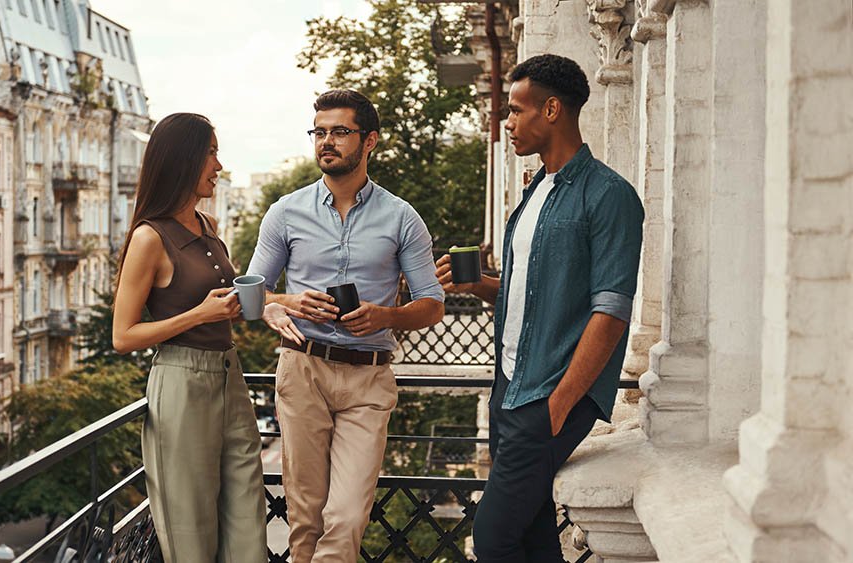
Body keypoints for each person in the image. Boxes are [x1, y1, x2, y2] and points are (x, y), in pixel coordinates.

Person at [436, 55, 644, 562]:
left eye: (515, 110)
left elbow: (611, 312)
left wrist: (560, 405)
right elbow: (530, 292)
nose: (506, 122)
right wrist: (480, 286)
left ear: (551, 110)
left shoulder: (610, 195)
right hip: (509, 385)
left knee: (492, 536)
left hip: (550, 394)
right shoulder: (534, 192)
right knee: (530, 536)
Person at [246, 89, 445, 561]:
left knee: (348, 518)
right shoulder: (284, 212)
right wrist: (285, 301)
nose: (325, 142)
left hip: (369, 378)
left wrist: (387, 316)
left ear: (369, 140)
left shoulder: (402, 218)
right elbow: (251, 295)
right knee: (306, 520)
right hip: (303, 371)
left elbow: (432, 305)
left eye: (339, 132)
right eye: (319, 132)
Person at [111, 113, 304, 562]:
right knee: (190, 530)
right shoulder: (149, 237)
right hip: (181, 381)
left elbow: (227, 303)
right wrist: (198, 315)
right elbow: (123, 335)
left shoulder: (208, 226)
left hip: (229, 377)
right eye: (212, 153)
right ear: (184, 159)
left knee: (246, 519)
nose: (219, 165)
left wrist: (279, 304)